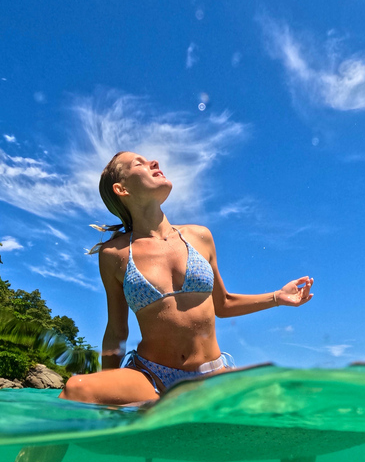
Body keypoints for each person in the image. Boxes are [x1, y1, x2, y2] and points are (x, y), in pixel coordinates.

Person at [58, 151, 314, 405]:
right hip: (150, 378)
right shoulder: (115, 254)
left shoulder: (199, 237)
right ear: (121, 188)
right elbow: (116, 330)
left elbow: (222, 304)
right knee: (74, 388)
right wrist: (108, 396)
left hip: (212, 374)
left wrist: (277, 298)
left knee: (286, 397)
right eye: (140, 163)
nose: (154, 162)